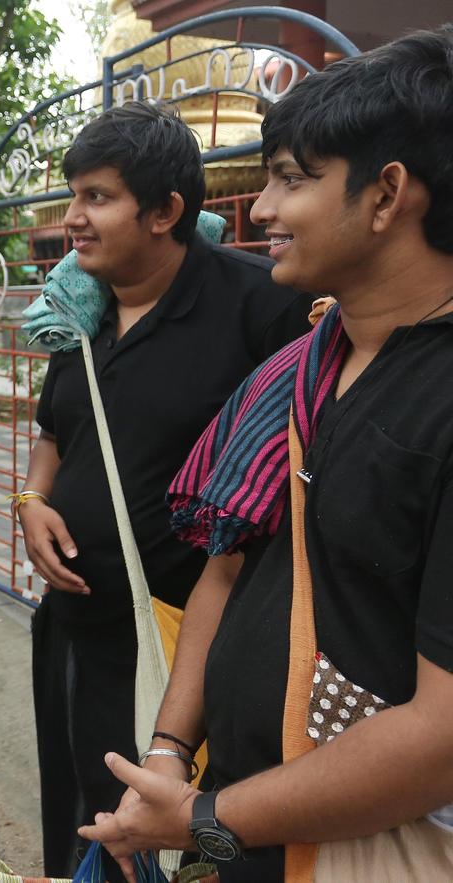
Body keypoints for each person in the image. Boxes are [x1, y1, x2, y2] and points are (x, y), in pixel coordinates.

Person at [80, 26, 453, 882]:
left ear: (388, 193)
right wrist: (172, 752)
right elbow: (229, 566)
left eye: (294, 179)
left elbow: (441, 737)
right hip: (249, 827)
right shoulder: (306, 366)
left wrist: (207, 817)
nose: (263, 209)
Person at [15, 102, 312, 878]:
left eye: (97, 197)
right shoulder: (79, 309)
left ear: (166, 211)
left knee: (181, 843)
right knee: (89, 820)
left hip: (193, 647)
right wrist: (32, 500)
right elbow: (55, 432)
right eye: (72, 194)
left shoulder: (263, 305)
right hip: (79, 629)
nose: (73, 219)